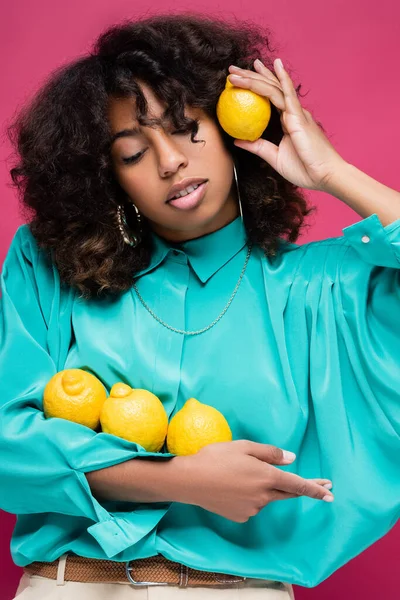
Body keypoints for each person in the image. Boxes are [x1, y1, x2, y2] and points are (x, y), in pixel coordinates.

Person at [1, 11, 399, 600]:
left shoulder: (321, 287)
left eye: (187, 126)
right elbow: (8, 443)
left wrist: (332, 171)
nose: (170, 162)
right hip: (73, 585)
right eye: (133, 154)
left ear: (229, 125)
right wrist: (181, 479)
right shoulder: (48, 265)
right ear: (107, 178)